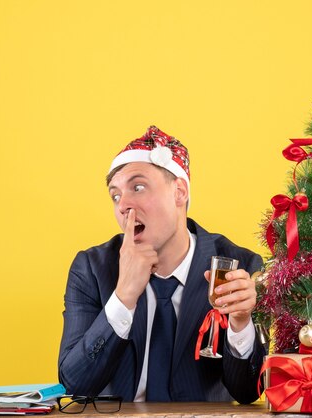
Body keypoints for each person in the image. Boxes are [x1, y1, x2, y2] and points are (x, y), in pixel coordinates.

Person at [58, 126, 265, 403]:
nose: (123, 206)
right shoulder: (92, 268)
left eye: (138, 187)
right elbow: (76, 385)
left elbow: (248, 391)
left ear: (179, 192)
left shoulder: (239, 266)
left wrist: (241, 324)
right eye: (116, 195)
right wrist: (124, 297)